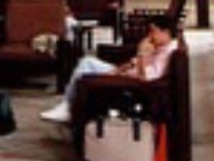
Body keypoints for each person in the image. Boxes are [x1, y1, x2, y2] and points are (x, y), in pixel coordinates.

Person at [39, 15, 179, 123]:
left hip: (129, 81)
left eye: (153, 31)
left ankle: (68, 106)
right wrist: (120, 68)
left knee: (86, 66)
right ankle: (69, 104)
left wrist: (141, 53)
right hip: (125, 73)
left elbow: (147, 78)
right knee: (87, 62)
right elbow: (136, 63)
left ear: (165, 32)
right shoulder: (161, 47)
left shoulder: (168, 52)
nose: (150, 36)